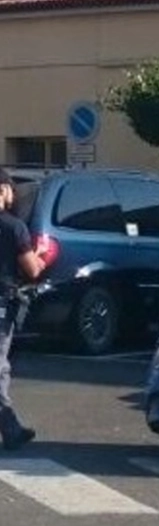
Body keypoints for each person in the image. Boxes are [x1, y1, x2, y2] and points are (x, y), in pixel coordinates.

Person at [0, 169, 45, 450]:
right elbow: (31, 269)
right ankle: (10, 427)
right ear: (3, 190)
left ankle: (10, 426)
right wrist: (41, 257)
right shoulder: (13, 227)